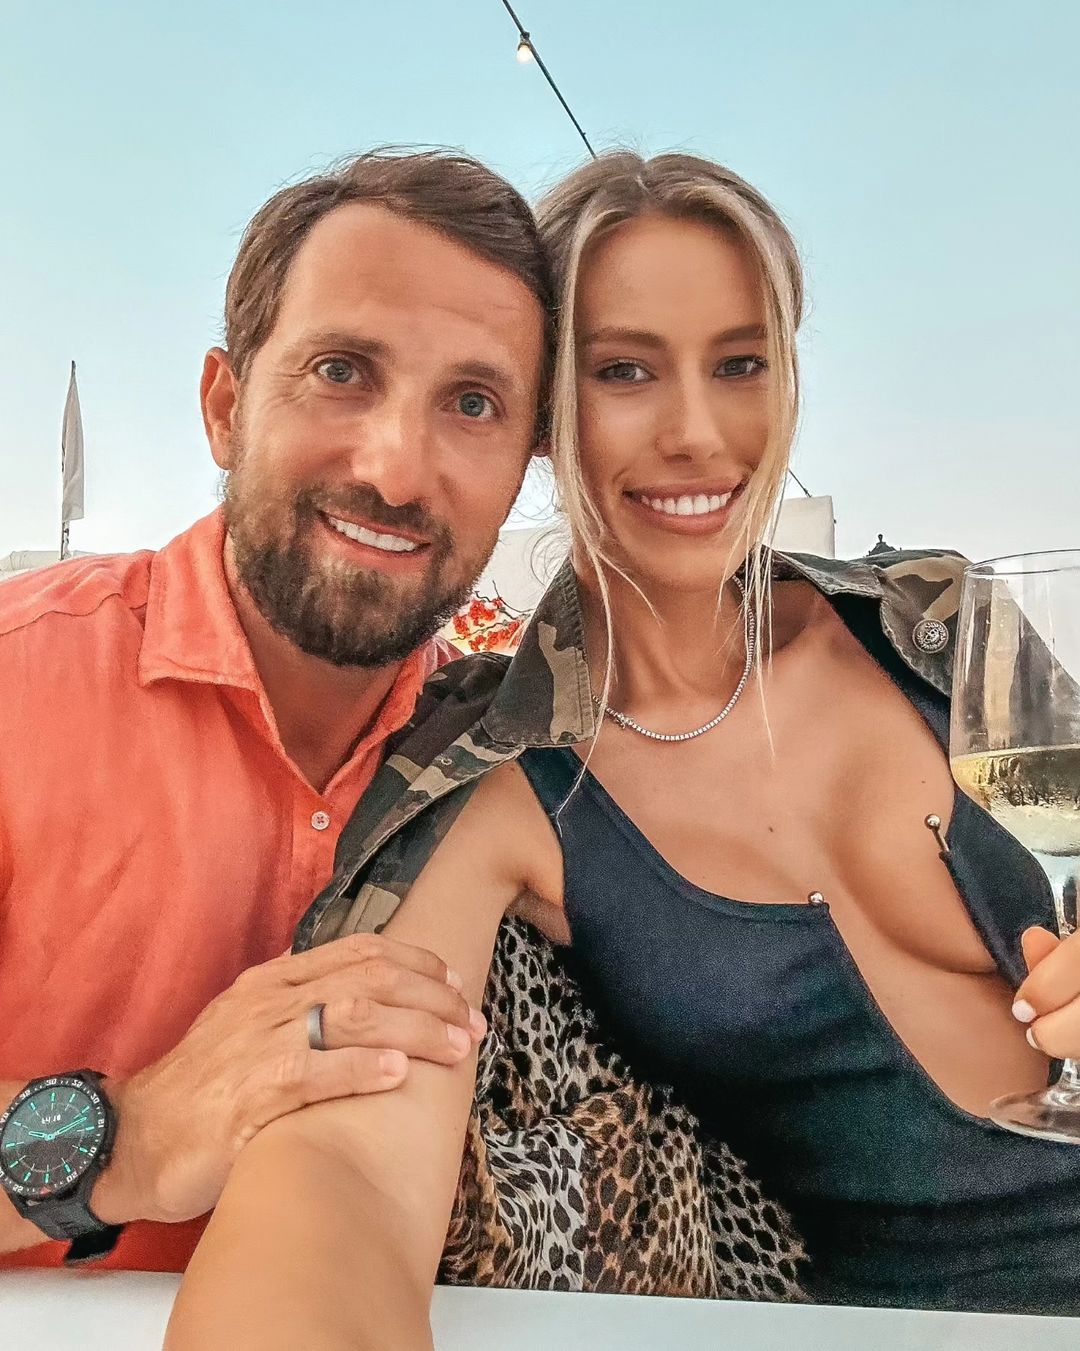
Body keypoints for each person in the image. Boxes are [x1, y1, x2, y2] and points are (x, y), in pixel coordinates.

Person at [165, 149, 1080, 1347]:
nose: (697, 433)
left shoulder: (936, 623)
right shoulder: (496, 774)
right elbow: (346, 1169)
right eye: (625, 371)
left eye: (740, 363)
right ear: (547, 413)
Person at [0, 147, 554, 1271]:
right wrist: (132, 1133)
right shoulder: (20, 687)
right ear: (224, 407)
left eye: (473, 402)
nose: (396, 471)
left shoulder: (505, 760)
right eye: (342, 371)